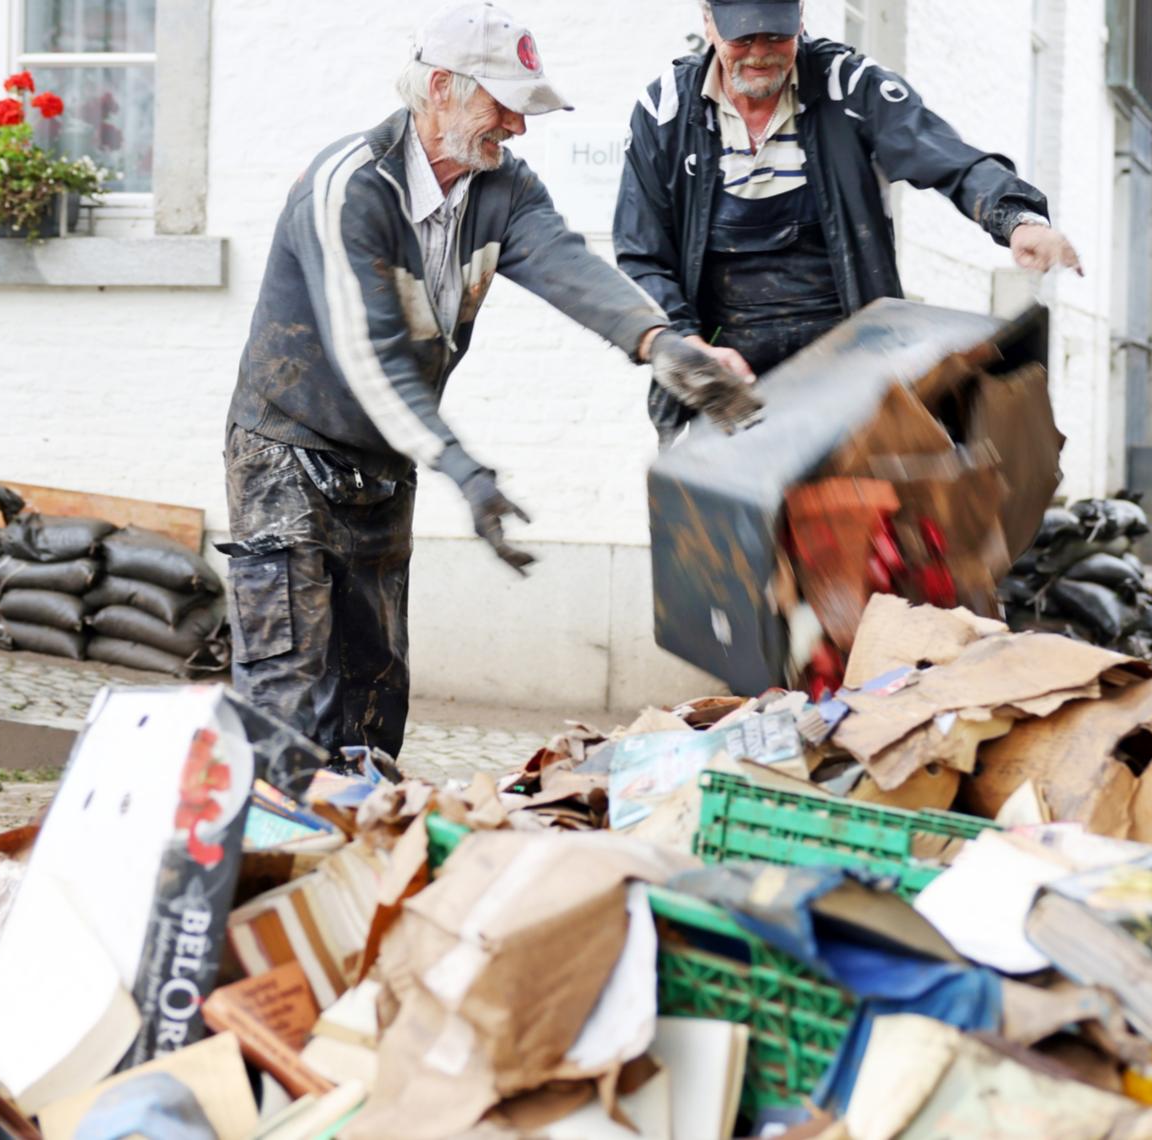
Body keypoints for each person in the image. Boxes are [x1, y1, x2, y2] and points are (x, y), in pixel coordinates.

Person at [220, 2, 758, 760]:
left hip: (383, 457)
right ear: (440, 87)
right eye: (503, 104)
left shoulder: (502, 187)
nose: (518, 126)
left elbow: (569, 269)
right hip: (287, 448)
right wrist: (463, 468)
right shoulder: (350, 188)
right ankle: (273, 855)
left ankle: (362, 852)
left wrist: (665, 347)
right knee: (290, 687)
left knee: (372, 688)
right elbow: (368, 359)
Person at [616, 0, 1082, 444]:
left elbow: (946, 157)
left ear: (800, 18)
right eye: (743, 35)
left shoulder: (852, 87)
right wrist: (686, 342)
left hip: (847, 356)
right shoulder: (666, 113)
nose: (760, 51)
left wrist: (1017, 218)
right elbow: (643, 252)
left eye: (776, 33)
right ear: (709, 23)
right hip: (724, 361)